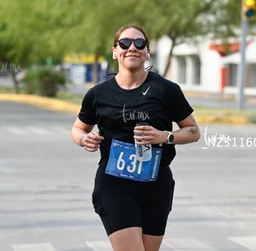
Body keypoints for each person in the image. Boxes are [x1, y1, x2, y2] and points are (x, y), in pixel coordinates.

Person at [71, 24, 200, 251]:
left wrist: (164, 136)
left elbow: (193, 131)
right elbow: (78, 129)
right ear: (114, 51)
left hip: (156, 184)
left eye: (139, 43)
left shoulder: (166, 90)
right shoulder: (98, 94)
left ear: (147, 51)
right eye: (125, 43)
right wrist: (84, 139)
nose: (132, 48)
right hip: (115, 185)